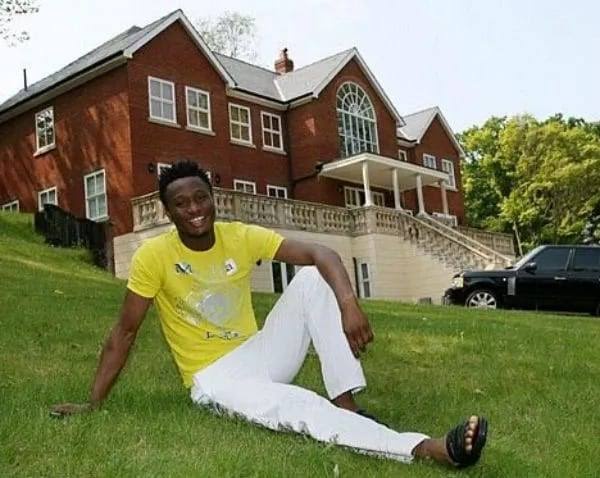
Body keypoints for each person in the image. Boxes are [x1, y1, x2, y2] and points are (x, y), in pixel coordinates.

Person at [51, 160, 488, 468]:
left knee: (313, 277)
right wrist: (93, 403)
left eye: (201, 198)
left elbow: (320, 252)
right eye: (181, 204)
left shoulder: (239, 236)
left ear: (213, 198)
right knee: (299, 404)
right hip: (215, 379)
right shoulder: (154, 256)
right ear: (169, 212)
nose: (194, 209)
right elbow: (124, 333)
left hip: (260, 354)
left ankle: (347, 405)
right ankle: (424, 448)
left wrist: (348, 303)